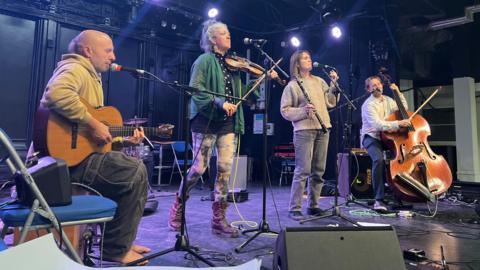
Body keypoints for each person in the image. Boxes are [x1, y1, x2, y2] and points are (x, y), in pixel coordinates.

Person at [34, 30, 150, 264]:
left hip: (78, 158)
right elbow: (56, 94)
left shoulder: (91, 75)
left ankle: (121, 241)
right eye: (108, 50)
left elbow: (96, 137)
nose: (113, 56)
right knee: (134, 172)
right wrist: (93, 122)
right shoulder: (76, 68)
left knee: (125, 170)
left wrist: (121, 139)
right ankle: (115, 249)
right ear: (88, 50)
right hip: (65, 164)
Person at [167, 20, 278, 237]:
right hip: (205, 119)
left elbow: (243, 94)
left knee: (225, 169)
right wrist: (220, 102)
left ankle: (219, 219)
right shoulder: (203, 60)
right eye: (224, 33)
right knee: (199, 168)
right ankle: (178, 206)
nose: (229, 36)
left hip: (228, 122)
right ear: (212, 39)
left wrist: (263, 79)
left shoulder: (232, 66)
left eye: (228, 33)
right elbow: (195, 90)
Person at [280, 50, 338, 221]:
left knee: (318, 170)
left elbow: (330, 102)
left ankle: (313, 205)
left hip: (323, 127)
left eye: (309, 57)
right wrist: (302, 111)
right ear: (297, 64)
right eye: (305, 58)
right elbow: (285, 110)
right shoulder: (293, 85)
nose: (309, 60)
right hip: (303, 130)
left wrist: (333, 85)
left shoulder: (320, 81)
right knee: (303, 169)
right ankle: (295, 207)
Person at [360, 75, 410, 212]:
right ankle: (378, 199)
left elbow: (403, 108)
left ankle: (399, 194)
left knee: (399, 161)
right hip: (372, 137)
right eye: (373, 85)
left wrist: (397, 92)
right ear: (368, 89)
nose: (377, 86)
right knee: (379, 160)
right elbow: (377, 125)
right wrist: (398, 123)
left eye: (378, 84)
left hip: (388, 136)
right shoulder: (368, 105)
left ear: (382, 86)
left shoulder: (389, 100)